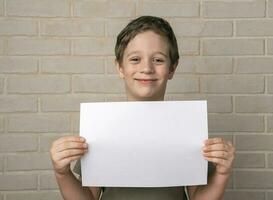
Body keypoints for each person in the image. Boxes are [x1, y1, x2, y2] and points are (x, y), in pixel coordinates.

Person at [50, 16, 235, 200]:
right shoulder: (102, 127)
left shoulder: (187, 127)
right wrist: (62, 173)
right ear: (120, 67)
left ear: (172, 68)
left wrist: (222, 174)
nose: (146, 68)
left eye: (158, 60)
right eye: (135, 59)